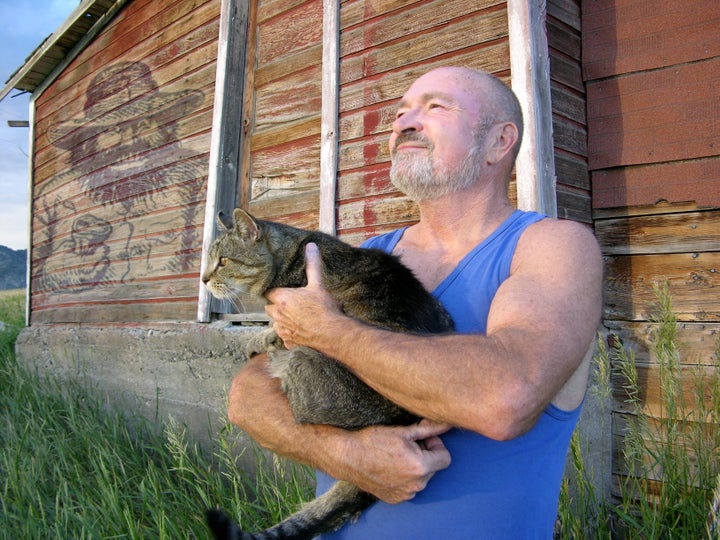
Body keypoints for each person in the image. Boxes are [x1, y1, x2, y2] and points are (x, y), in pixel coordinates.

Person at [227, 66, 603, 538]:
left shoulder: (551, 247)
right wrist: (347, 455)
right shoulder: (367, 256)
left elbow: (505, 398)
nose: (403, 120)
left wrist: (328, 331)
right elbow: (246, 398)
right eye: (400, 110)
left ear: (498, 141)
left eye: (435, 106)